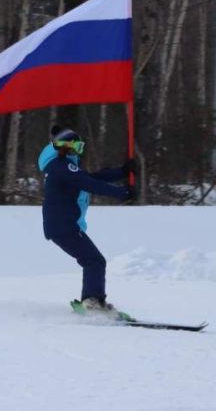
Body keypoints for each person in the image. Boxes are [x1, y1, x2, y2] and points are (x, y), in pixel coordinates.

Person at [38, 125, 136, 316]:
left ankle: (94, 300)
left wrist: (122, 172)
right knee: (94, 261)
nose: (80, 151)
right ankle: (92, 302)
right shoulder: (62, 166)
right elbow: (89, 184)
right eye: (78, 146)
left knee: (93, 260)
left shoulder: (60, 165)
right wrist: (122, 193)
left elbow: (90, 177)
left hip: (63, 226)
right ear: (68, 146)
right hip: (64, 226)